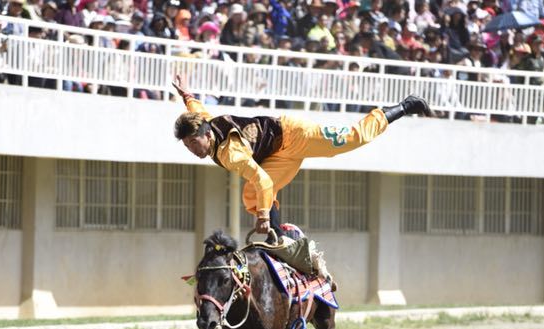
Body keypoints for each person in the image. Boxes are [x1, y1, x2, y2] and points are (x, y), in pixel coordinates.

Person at [171, 74, 431, 236]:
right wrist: (186, 94)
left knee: (353, 138)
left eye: (194, 143)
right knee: (251, 194)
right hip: (278, 154)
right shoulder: (204, 122)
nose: (192, 149)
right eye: (187, 146)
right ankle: (279, 238)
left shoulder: (232, 154)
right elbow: (197, 108)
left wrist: (262, 217)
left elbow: (264, 180)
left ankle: (403, 106)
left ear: (206, 134)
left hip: (295, 134)